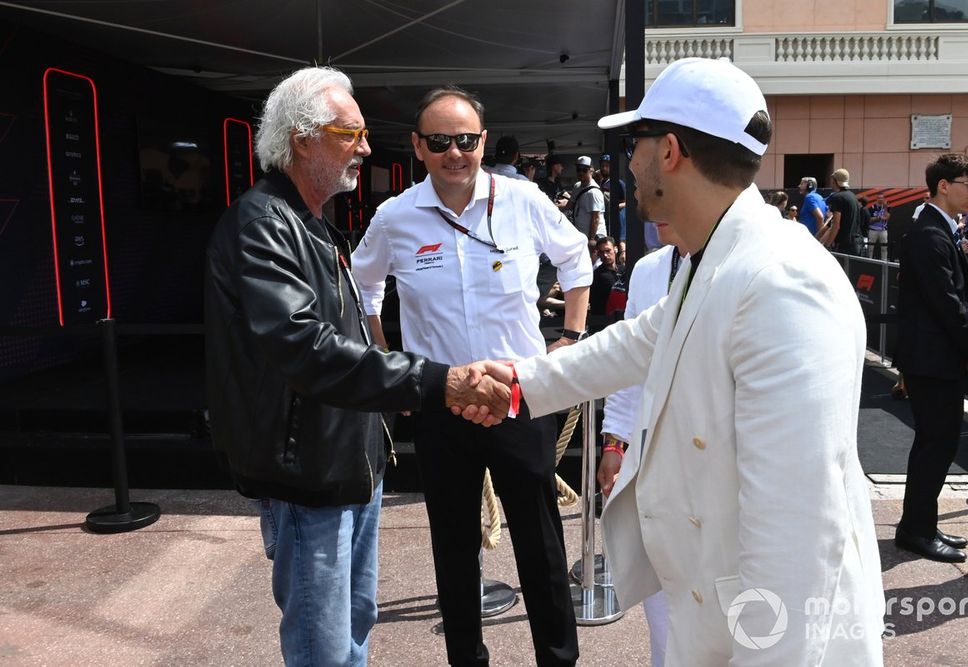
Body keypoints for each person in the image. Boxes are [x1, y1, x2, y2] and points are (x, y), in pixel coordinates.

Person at [464, 57, 885, 664]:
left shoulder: (782, 282)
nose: (628, 162)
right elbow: (640, 340)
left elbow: (797, 531)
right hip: (710, 608)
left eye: (635, 142)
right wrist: (519, 386)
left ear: (668, 151)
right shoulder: (712, 254)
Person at [203, 68, 508, 667]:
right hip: (308, 479)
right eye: (351, 133)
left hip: (349, 467)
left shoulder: (313, 225)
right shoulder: (263, 224)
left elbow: (347, 334)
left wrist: (392, 386)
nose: (367, 147)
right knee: (324, 647)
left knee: (351, 629)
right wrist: (432, 380)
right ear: (301, 138)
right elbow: (304, 348)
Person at [351, 86, 589, 666]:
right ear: (417, 147)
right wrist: (390, 366)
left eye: (466, 140)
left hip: (519, 397)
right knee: (453, 547)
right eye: (439, 142)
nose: (454, 153)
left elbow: (577, 258)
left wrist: (570, 340)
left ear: (483, 141)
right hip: (441, 403)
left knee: (541, 546)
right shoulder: (395, 216)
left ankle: (558, 659)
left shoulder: (523, 200)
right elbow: (363, 287)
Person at [893, 152, 968, 563]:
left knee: (938, 442)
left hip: (934, 357)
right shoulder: (930, 233)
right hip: (931, 359)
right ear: (944, 185)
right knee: (936, 443)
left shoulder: (937, 229)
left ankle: (922, 524)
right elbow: (947, 302)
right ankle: (915, 530)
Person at [597, 219, 687, 667]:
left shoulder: (753, 264)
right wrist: (615, 440)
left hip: (721, 468)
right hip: (653, 460)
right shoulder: (649, 269)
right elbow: (628, 362)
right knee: (661, 603)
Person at [820, 168, 862, 255]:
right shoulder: (853, 196)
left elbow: (836, 225)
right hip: (856, 243)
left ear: (835, 181)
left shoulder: (838, 198)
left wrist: (827, 246)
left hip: (844, 246)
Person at [567, 155, 605, 241]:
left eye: (584, 170)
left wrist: (591, 239)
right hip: (581, 236)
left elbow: (596, 218)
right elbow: (569, 205)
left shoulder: (594, 192)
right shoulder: (577, 186)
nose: (581, 173)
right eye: (578, 169)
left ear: (591, 170)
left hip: (594, 237)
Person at [869, 194, 891, 260]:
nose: (880, 199)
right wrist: (878, 218)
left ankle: (884, 261)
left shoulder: (887, 207)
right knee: (870, 247)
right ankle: (869, 260)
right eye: (879, 198)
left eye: (882, 198)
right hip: (873, 230)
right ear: (876, 199)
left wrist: (885, 208)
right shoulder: (872, 207)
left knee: (884, 247)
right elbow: (870, 219)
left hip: (883, 230)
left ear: (884, 199)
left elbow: (887, 217)